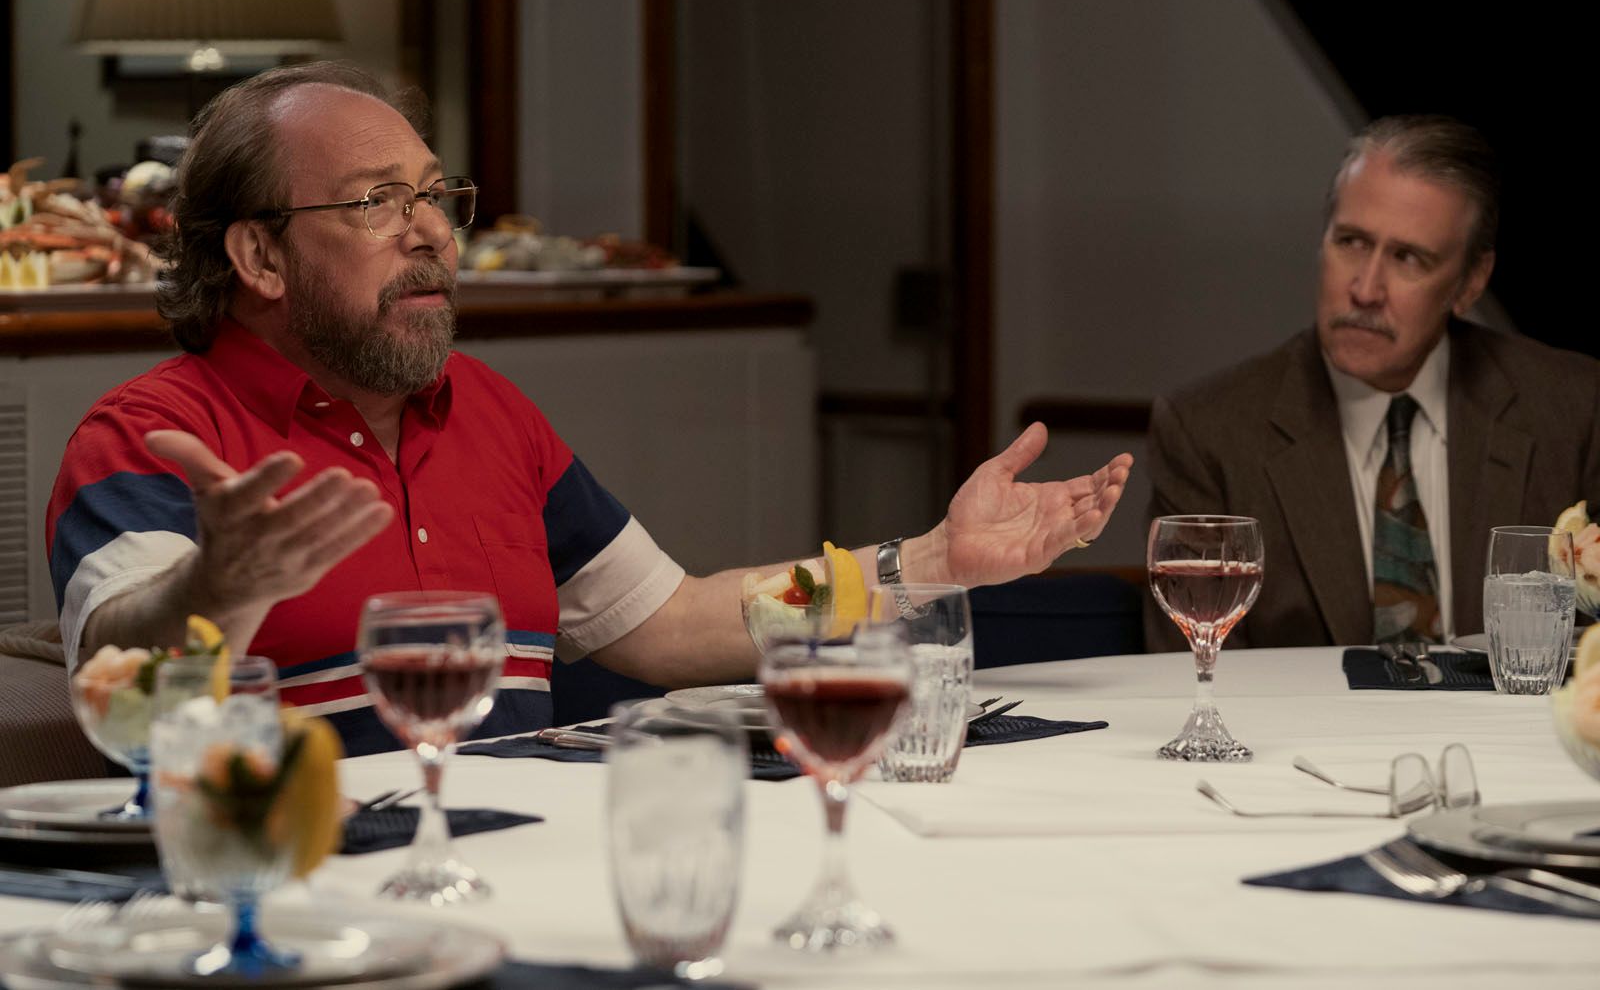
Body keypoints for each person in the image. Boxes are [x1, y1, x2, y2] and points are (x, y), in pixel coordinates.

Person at [47, 62, 1133, 755]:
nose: (431, 232)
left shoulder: (490, 412)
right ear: (259, 255)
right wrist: (219, 586)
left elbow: (675, 621)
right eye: (377, 201)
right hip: (290, 898)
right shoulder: (148, 436)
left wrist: (929, 560)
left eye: (436, 195)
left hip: (522, 875)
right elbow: (120, 703)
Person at [1145, 114, 1600, 652]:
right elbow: (1194, 673)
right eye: (1352, 242)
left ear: (1470, 282)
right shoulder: (1209, 431)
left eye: (1408, 258)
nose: (1365, 289)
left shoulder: (1573, 407)